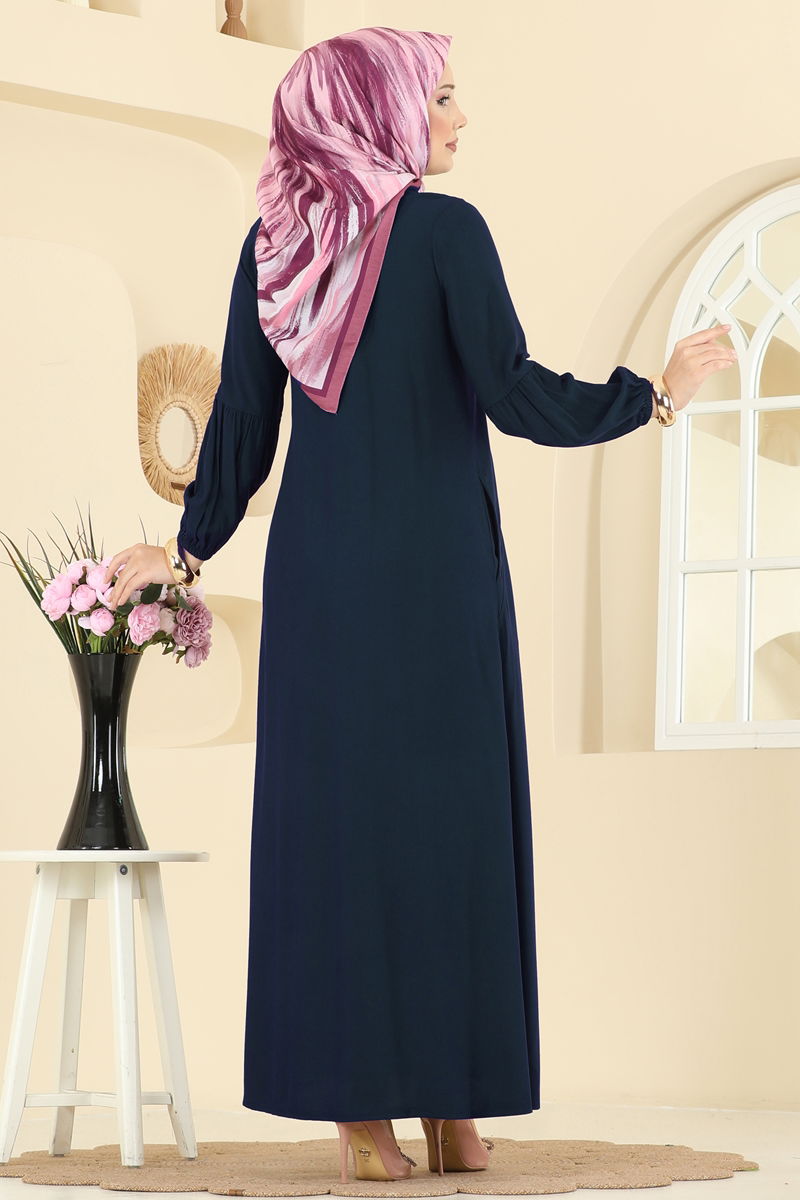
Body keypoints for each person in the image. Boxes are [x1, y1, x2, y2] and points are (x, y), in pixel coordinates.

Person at [100, 26, 737, 1185]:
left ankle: (403, 1112)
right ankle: (420, 1105)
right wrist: (652, 396)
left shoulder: (277, 247)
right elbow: (513, 393)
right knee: (449, 830)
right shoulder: (439, 232)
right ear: (376, 112)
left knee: (349, 835)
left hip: (325, 586)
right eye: (438, 97)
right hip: (436, 577)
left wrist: (187, 551)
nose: (456, 117)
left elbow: (241, 430)